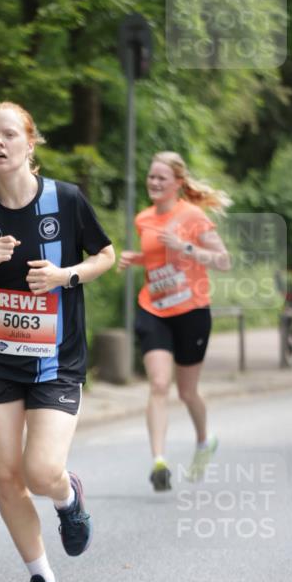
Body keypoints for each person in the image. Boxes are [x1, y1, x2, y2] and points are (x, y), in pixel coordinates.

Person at [0, 101, 115, 582]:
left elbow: (107, 255)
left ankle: (68, 498)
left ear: (30, 142)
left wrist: (67, 277)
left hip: (56, 360)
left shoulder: (65, 201)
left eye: (9, 135)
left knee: (40, 471)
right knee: (5, 476)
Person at [118, 151, 231, 491]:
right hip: (154, 309)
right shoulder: (144, 219)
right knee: (158, 384)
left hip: (192, 312)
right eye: (151, 177)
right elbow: (156, 260)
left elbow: (223, 260)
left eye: (161, 178)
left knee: (187, 391)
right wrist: (135, 258)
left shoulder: (193, 216)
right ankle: (159, 462)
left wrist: (186, 247)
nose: (153, 183)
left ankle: (203, 441)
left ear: (177, 184)